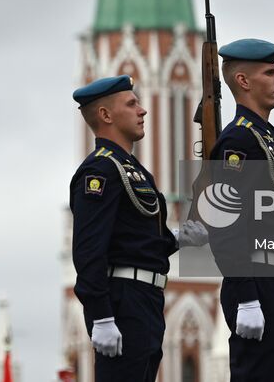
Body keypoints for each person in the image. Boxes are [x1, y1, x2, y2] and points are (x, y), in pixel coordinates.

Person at [69, 76, 206, 382]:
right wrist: (102, 316)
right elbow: (89, 250)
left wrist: (176, 239)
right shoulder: (100, 170)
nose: (142, 110)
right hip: (122, 301)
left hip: (146, 299)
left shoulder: (132, 169)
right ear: (106, 115)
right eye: (132, 104)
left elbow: (134, 240)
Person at [208, 39, 274, 382]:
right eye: (270, 72)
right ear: (243, 81)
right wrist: (247, 297)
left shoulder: (272, 139)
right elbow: (225, 224)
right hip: (258, 282)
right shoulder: (238, 141)